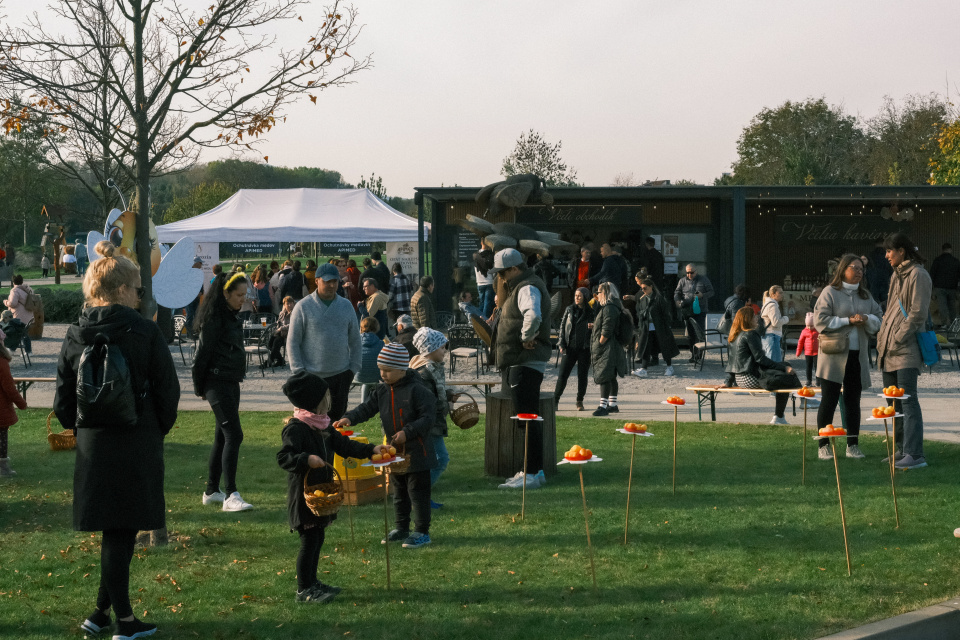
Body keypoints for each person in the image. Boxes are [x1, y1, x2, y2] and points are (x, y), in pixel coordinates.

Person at [54, 242, 179, 639]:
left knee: (117, 527)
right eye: (139, 288)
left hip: (94, 443)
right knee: (120, 530)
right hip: (136, 436)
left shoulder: (76, 333)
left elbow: (62, 401)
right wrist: (156, 427)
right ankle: (124, 622)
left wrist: (83, 427)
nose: (142, 294)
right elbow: (168, 390)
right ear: (122, 289)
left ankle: (99, 613)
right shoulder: (143, 330)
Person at [277, 371, 389, 603]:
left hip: (323, 494)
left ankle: (313, 582)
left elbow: (345, 445)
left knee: (317, 539)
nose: (330, 399)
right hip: (305, 498)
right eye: (325, 396)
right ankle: (303, 590)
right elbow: (284, 457)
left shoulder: (324, 426)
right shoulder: (297, 428)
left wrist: (371, 450)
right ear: (313, 401)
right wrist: (306, 459)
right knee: (309, 542)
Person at [333, 342, 438, 549]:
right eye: (381, 370)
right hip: (395, 452)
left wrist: (407, 433)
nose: (383, 374)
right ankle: (401, 528)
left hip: (418, 452)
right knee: (398, 492)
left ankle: (422, 532)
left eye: (388, 370)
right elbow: (366, 408)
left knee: (418, 493)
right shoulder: (381, 390)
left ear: (402, 369)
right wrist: (349, 418)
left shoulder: (418, 389)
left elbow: (428, 418)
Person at [490, 248, 551, 489]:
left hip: (524, 361)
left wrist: (527, 336)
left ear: (514, 269)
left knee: (527, 418)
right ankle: (531, 471)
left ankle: (532, 474)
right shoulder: (522, 285)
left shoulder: (527, 287)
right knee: (526, 418)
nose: (501, 278)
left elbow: (533, 314)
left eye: (503, 272)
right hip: (521, 361)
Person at [192, 271, 253, 512]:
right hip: (216, 382)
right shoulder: (215, 318)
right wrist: (200, 388)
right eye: (239, 295)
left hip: (230, 382)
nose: (242, 300)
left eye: (244, 295)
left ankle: (211, 491)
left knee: (222, 435)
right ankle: (231, 495)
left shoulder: (230, 316)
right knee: (234, 434)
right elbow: (201, 356)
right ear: (225, 293)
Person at [813, 254, 882, 460]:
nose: (859, 272)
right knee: (829, 400)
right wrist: (847, 321)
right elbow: (820, 321)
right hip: (832, 355)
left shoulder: (866, 295)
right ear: (843, 270)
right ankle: (823, 445)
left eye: (862, 269)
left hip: (857, 355)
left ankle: (853, 445)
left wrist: (867, 318)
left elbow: (879, 318)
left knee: (853, 401)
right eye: (855, 268)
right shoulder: (830, 292)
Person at [876, 232, 932, 470]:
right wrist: (883, 339)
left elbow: (918, 313)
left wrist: (897, 337)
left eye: (890, 251)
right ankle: (900, 450)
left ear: (901, 251)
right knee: (894, 403)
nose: (887, 255)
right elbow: (890, 310)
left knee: (908, 402)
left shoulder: (918, 274)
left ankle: (915, 454)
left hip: (906, 349)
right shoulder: (896, 275)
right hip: (889, 349)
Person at [287, 263, 361, 422]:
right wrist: (299, 372)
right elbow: (293, 342)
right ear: (317, 280)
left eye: (335, 281)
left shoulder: (346, 306)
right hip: (311, 378)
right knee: (311, 426)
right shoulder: (303, 307)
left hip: (341, 375)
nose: (332, 285)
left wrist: (353, 369)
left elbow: (355, 340)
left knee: (337, 425)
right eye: (327, 281)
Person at [725, 306, 795, 424]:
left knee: (784, 368)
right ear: (748, 319)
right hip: (751, 378)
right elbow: (761, 359)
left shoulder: (735, 335)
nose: (757, 318)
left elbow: (732, 360)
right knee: (785, 377)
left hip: (740, 378)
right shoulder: (751, 334)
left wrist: (728, 381)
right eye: (754, 316)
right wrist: (784, 368)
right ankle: (779, 417)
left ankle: (780, 416)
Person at [411, 327, 453, 508]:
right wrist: (442, 405)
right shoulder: (424, 373)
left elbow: (436, 393)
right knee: (440, 459)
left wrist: (448, 396)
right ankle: (419, 497)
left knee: (431, 461)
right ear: (430, 349)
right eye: (442, 348)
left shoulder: (433, 369)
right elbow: (425, 403)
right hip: (429, 424)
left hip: (433, 422)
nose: (445, 351)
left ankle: (421, 498)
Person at [590, 282, 630, 416]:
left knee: (605, 375)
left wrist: (601, 342)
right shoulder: (614, 306)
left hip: (608, 346)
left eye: (599, 293)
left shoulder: (609, 307)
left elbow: (607, 328)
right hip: (613, 345)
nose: (597, 296)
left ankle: (603, 406)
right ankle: (613, 405)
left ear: (606, 293)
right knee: (611, 376)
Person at [554, 286, 594, 411]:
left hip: (585, 348)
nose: (577, 298)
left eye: (579, 296)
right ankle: (555, 400)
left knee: (582, 376)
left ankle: (579, 401)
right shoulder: (570, 309)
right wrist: (561, 344)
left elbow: (597, 326)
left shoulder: (591, 311)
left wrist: (593, 326)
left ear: (585, 297)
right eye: (576, 295)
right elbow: (562, 327)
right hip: (570, 347)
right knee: (563, 375)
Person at [633, 277, 680, 378]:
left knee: (664, 346)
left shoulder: (659, 298)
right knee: (646, 346)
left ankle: (669, 366)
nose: (643, 290)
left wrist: (666, 326)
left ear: (651, 287)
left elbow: (666, 314)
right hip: (647, 327)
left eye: (645, 288)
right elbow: (639, 314)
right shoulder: (643, 299)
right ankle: (644, 368)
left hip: (660, 327)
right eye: (642, 288)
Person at [674, 264, 714, 363]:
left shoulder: (703, 280)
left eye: (691, 272)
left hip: (700, 309)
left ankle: (699, 355)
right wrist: (678, 301)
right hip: (687, 309)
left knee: (699, 333)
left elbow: (711, 292)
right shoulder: (682, 281)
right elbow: (677, 292)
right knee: (690, 334)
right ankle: (693, 354)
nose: (689, 274)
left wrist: (702, 295)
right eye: (687, 272)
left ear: (696, 271)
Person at [0, 335, 27, 477]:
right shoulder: (2, 362)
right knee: (2, 437)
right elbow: (8, 388)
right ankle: (3, 469)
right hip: (1, 407)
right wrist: (22, 403)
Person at [929, 242, 960, 327]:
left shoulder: (937, 260)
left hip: (940, 287)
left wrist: (932, 289)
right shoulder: (955, 261)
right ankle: (953, 324)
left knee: (942, 306)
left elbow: (932, 274)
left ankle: (944, 324)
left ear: (942, 250)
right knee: (952, 306)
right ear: (950, 250)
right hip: (952, 288)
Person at [3, 274, 34, 354]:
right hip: (28, 315)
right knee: (24, 333)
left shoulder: (15, 291)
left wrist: (6, 302)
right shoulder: (27, 289)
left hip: (19, 316)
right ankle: (28, 351)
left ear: (13, 282)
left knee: (14, 332)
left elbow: (13, 303)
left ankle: (11, 349)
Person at [356, 317, 384, 403]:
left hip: (359, 375)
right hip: (377, 375)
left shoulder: (355, 342)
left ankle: (363, 403)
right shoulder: (381, 343)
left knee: (365, 379)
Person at [265, 296, 295, 368]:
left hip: (289, 334)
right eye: (287, 304)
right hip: (280, 333)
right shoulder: (282, 313)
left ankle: (269, 361)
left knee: (276, 343)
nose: (289, 305)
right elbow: (278, 322)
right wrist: (276, 329)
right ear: (284, 305)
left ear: (294, 304)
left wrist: (281, 328)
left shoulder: (295, 313)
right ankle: (280, 360)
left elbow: (293, 325)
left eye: (291, 303)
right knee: (269, 343)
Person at [760, 286, 789, 361]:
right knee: (774, 362)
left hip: (769, 335)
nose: (782, 294)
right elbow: (776, 322)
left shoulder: (768, 304)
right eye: (780, 293)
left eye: (782, 292)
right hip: (772, 335)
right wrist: (786, 319)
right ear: (773, 294)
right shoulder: (772, 305)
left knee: (772, 361)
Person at [866, 237, 893, 308]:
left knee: (874, 303)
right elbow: (890, 269)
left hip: (873, 281)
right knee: (886, 302)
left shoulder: (870, 255)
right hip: (885, 280)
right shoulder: (888, 255)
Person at [795, 312, 820, 388]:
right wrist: (798, 352)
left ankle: (818, 381)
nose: (809, 327)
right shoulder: (804, 331)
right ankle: (808, 381)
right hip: (808, 352)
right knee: (808, 367)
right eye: (807, 325)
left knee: (817, 367)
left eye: (811, 326)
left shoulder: (818, 331)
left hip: (817, 352)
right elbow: (800, 342)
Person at [388, 263, 414, 328]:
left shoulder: (393, 280)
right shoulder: (407, 278)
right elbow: (411, 291)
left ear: (393, 271)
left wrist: (388, 302)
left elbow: (390, 295)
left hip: (397, 307)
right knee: (407, 325)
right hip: (407, 307)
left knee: (399, 326)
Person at [474, 249, 496, 318]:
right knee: (487, 304)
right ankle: (485, 321)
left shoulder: (476, 258)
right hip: (489, 282)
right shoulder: (489, 259)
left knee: (481, 303)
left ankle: (478, 320)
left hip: (480, 283)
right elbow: (493, 272)